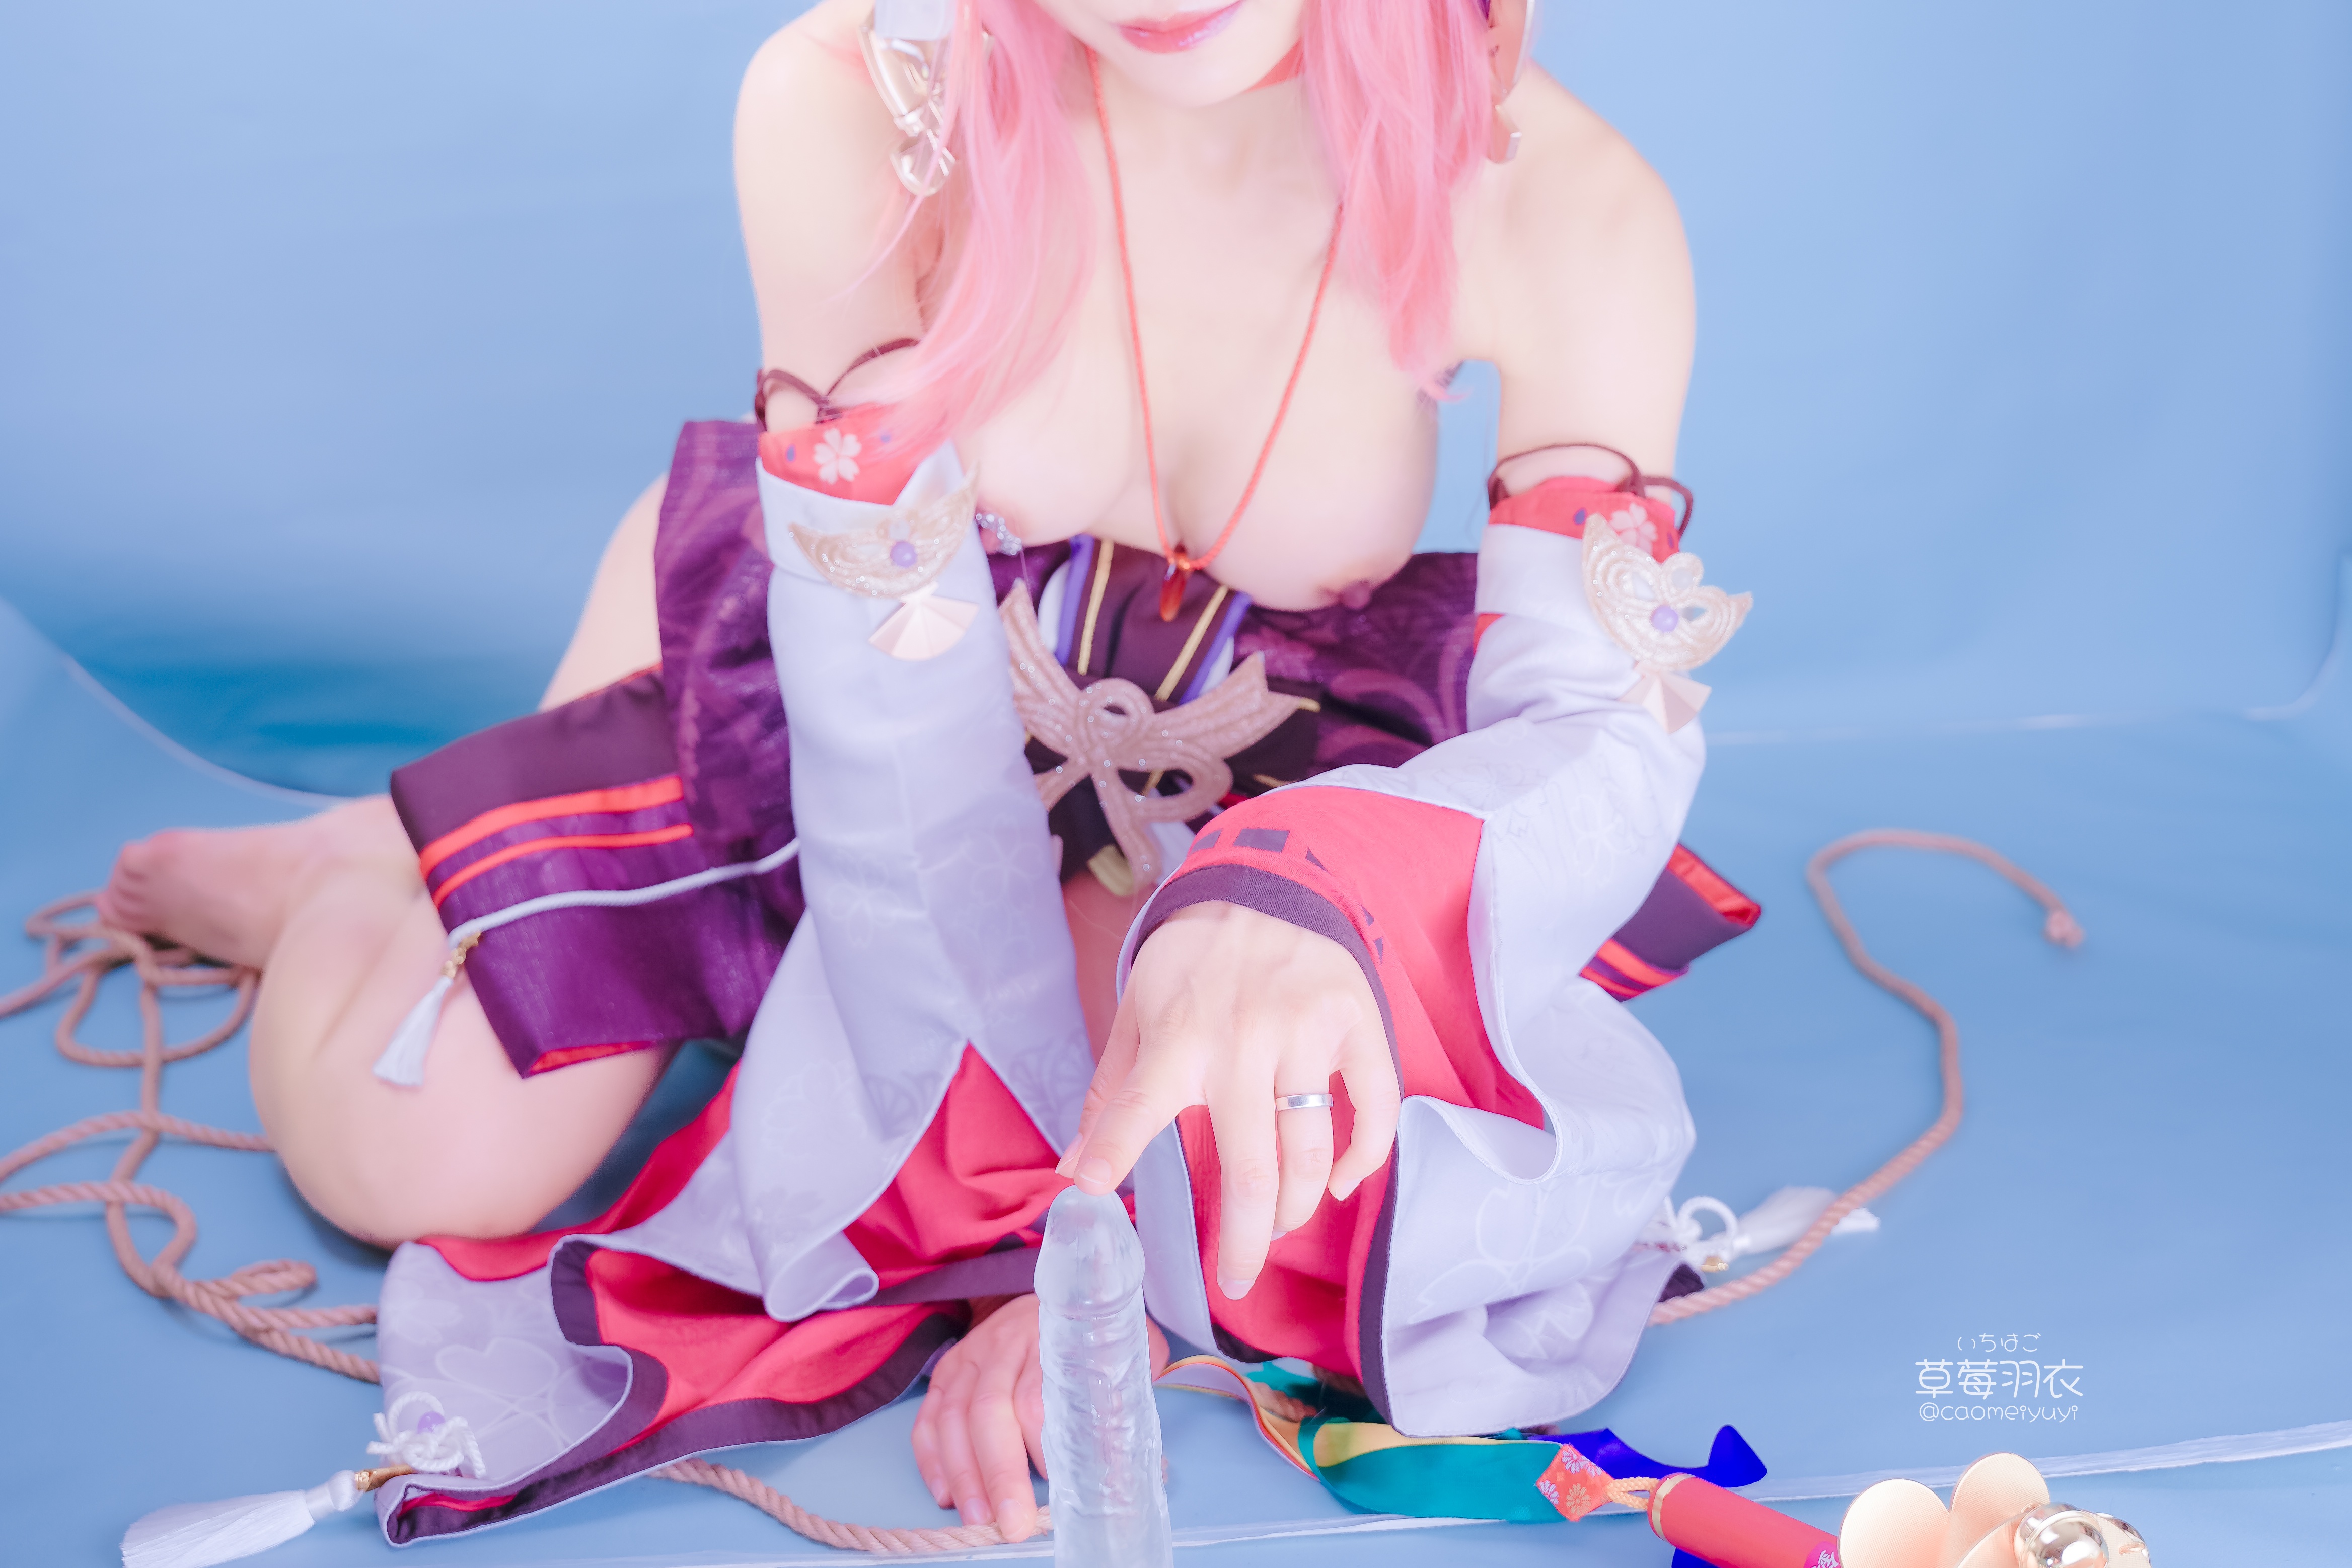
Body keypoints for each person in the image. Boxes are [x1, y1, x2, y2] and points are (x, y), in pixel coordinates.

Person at [97, 0, 1756, 1546]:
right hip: (838, 670)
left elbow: (1598, 727)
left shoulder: (1557, 198)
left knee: (1287, 1160)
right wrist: (1013, 1234)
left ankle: (448, 862)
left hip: (1219, 778)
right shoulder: (856, 99)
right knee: (422, 1162)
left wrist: (1308, 899)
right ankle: (359, 869)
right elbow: (879, 728)